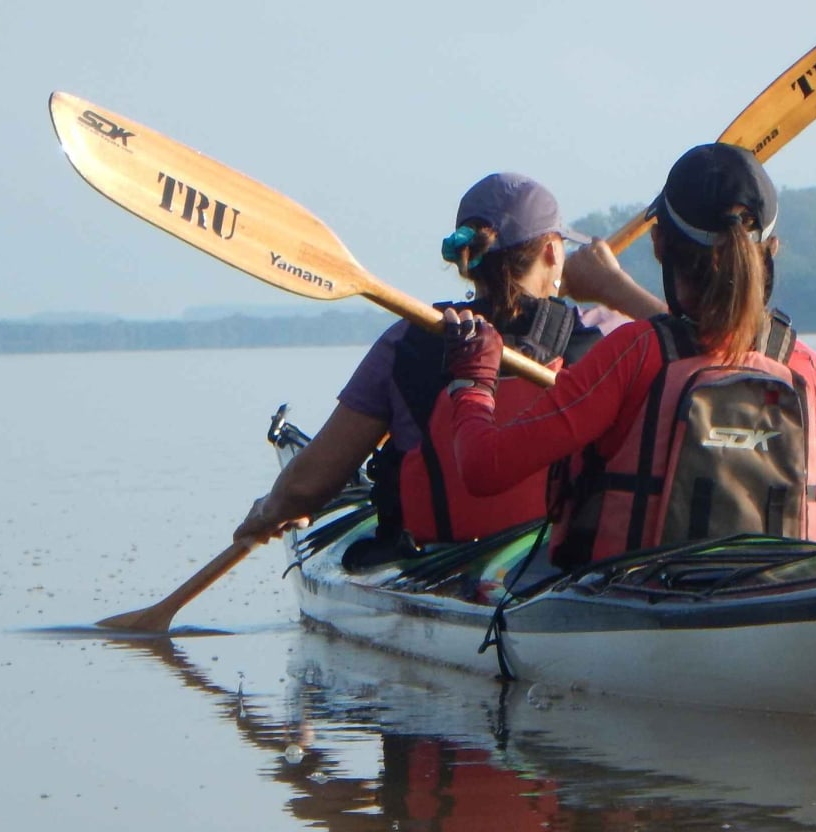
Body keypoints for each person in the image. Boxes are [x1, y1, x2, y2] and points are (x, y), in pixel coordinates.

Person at [442, 143, 816, 570]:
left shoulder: (632, 354)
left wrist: (474, 377)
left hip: (636, 592)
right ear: (771, 251)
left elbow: (486, 469)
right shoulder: (800, 364)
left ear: (659, 245)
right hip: (772, 588)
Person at [234, 172, 664, 558]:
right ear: (553, 252)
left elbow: (307, 487)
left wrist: (273, 510)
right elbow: (700, 357)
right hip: (560, 565)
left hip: (438, 560)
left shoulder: (409, 341)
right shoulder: (609, 333)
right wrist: (615, 287)